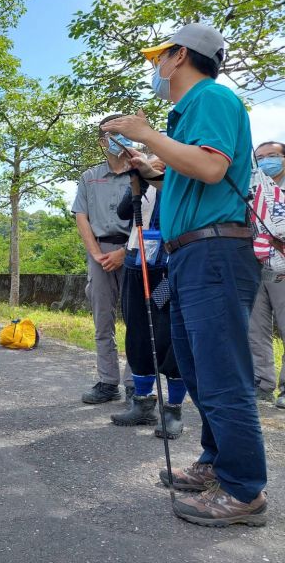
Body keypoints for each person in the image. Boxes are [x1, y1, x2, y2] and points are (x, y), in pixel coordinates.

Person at [102, 23, 267, 527]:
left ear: (180, 57)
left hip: (214, 250)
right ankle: (218, 463)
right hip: (192, 254)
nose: (156, 67)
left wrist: (146, 133)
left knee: (221, 373)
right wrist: (153, 165)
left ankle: (244, 492)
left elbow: (213, 168)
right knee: (197, 368)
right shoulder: (189, 114)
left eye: (161, 57)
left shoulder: (212, 97)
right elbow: (191, 167)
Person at [110, 176, 187, 439]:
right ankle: (142, 402)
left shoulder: (181, 181)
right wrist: (139, 183)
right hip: (137, 264)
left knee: (171, 336)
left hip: (169, 269)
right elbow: (123, 213)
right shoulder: (140, 185)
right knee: (138, 333)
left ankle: (173, 410)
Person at [72, 115, 134, 404]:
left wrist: (127, 252)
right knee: (102, 320)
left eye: (123, 132)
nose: (119, 139)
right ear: (102, 142)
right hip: (99, 252)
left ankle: (137, 384)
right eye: (112, 134)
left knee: (138, 321)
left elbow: (151, 215)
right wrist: (96, 253)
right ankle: (108, 382)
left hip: (135, 252)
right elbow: (81, 216)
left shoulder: (143, 171)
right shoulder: (89, 177)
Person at [247, 141, 285, 409]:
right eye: (260, 158)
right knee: (255, 329)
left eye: (273, 156)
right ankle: (262, 383)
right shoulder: (252, 191)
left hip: (283, 266)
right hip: (254, 266)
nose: (266, 162)